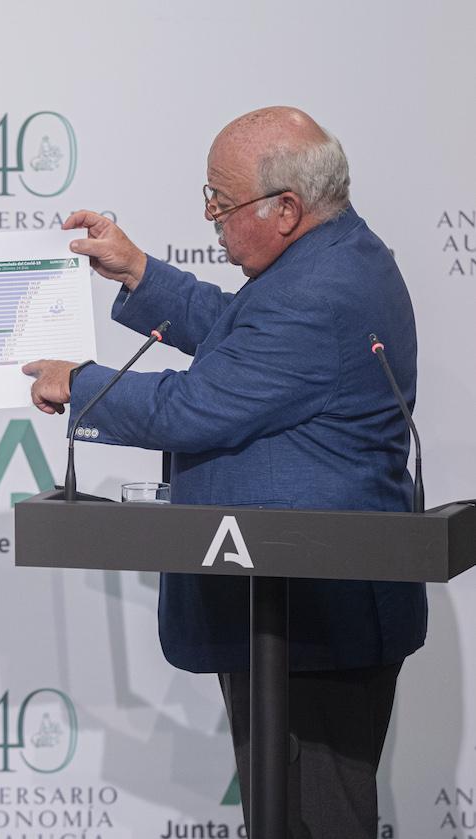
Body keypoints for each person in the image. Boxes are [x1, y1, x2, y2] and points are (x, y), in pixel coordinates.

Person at [23, 106, 424, 838]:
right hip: (288, 607)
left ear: (286, 210)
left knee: (315, 823)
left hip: (311, 618)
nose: (210, 217)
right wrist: (141, 272)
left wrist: (76, 383)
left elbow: (195, 406)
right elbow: (240, 330)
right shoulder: (332, 254)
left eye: (220, 202)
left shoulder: (319, 291)